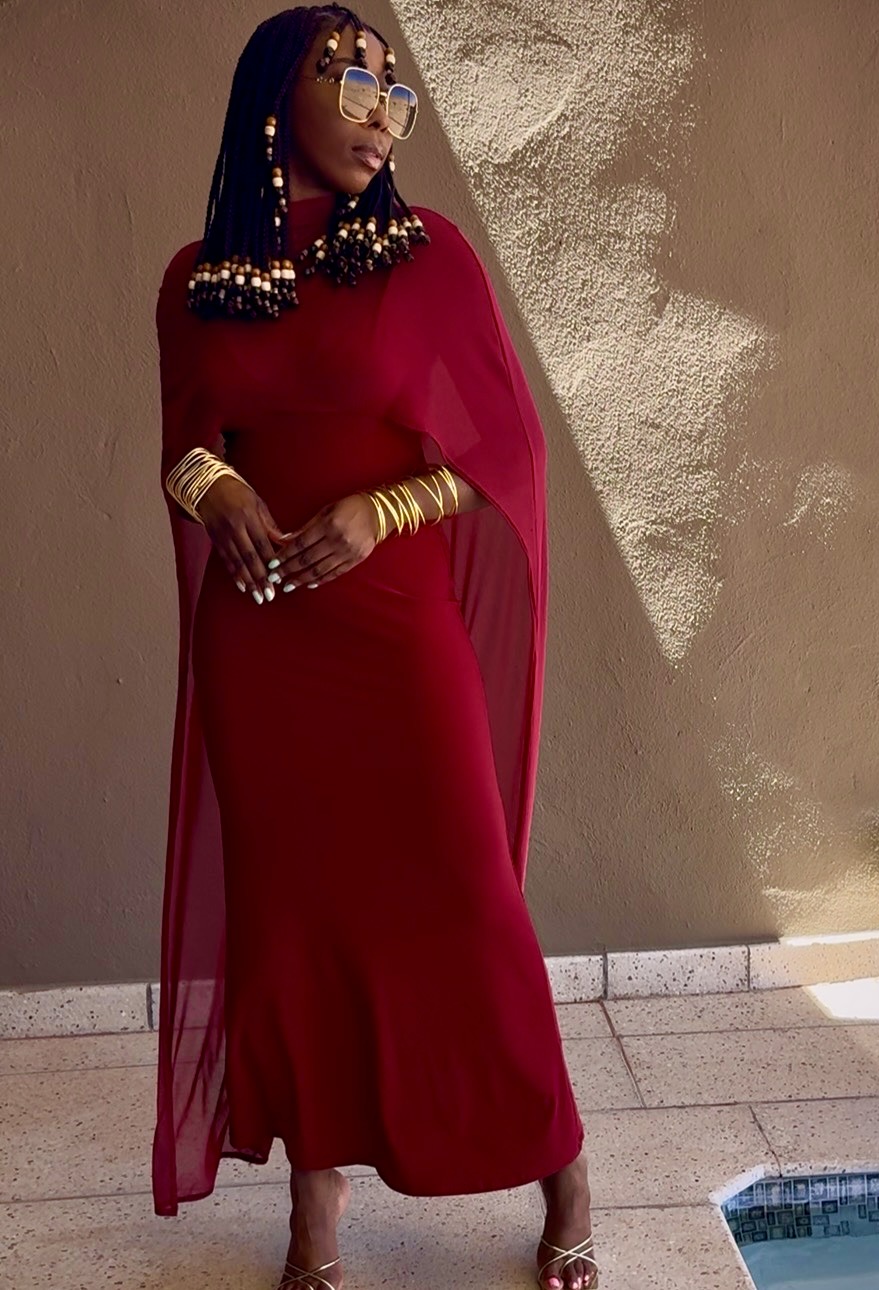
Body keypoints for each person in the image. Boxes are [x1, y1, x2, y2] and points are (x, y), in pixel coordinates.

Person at [151, 7, 597, 1288]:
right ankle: (316, 1208)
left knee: (467, 903)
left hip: (397, 637)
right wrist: (217, 493)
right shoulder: (196, 279)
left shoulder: (427, 256)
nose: (381, 107)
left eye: (393, 88)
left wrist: (383, 507)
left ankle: (560, 1157)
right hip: (265, 646)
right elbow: (187, 440)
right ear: (274, 97)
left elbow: (503, 450)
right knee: (295, 922)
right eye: (350, 77)